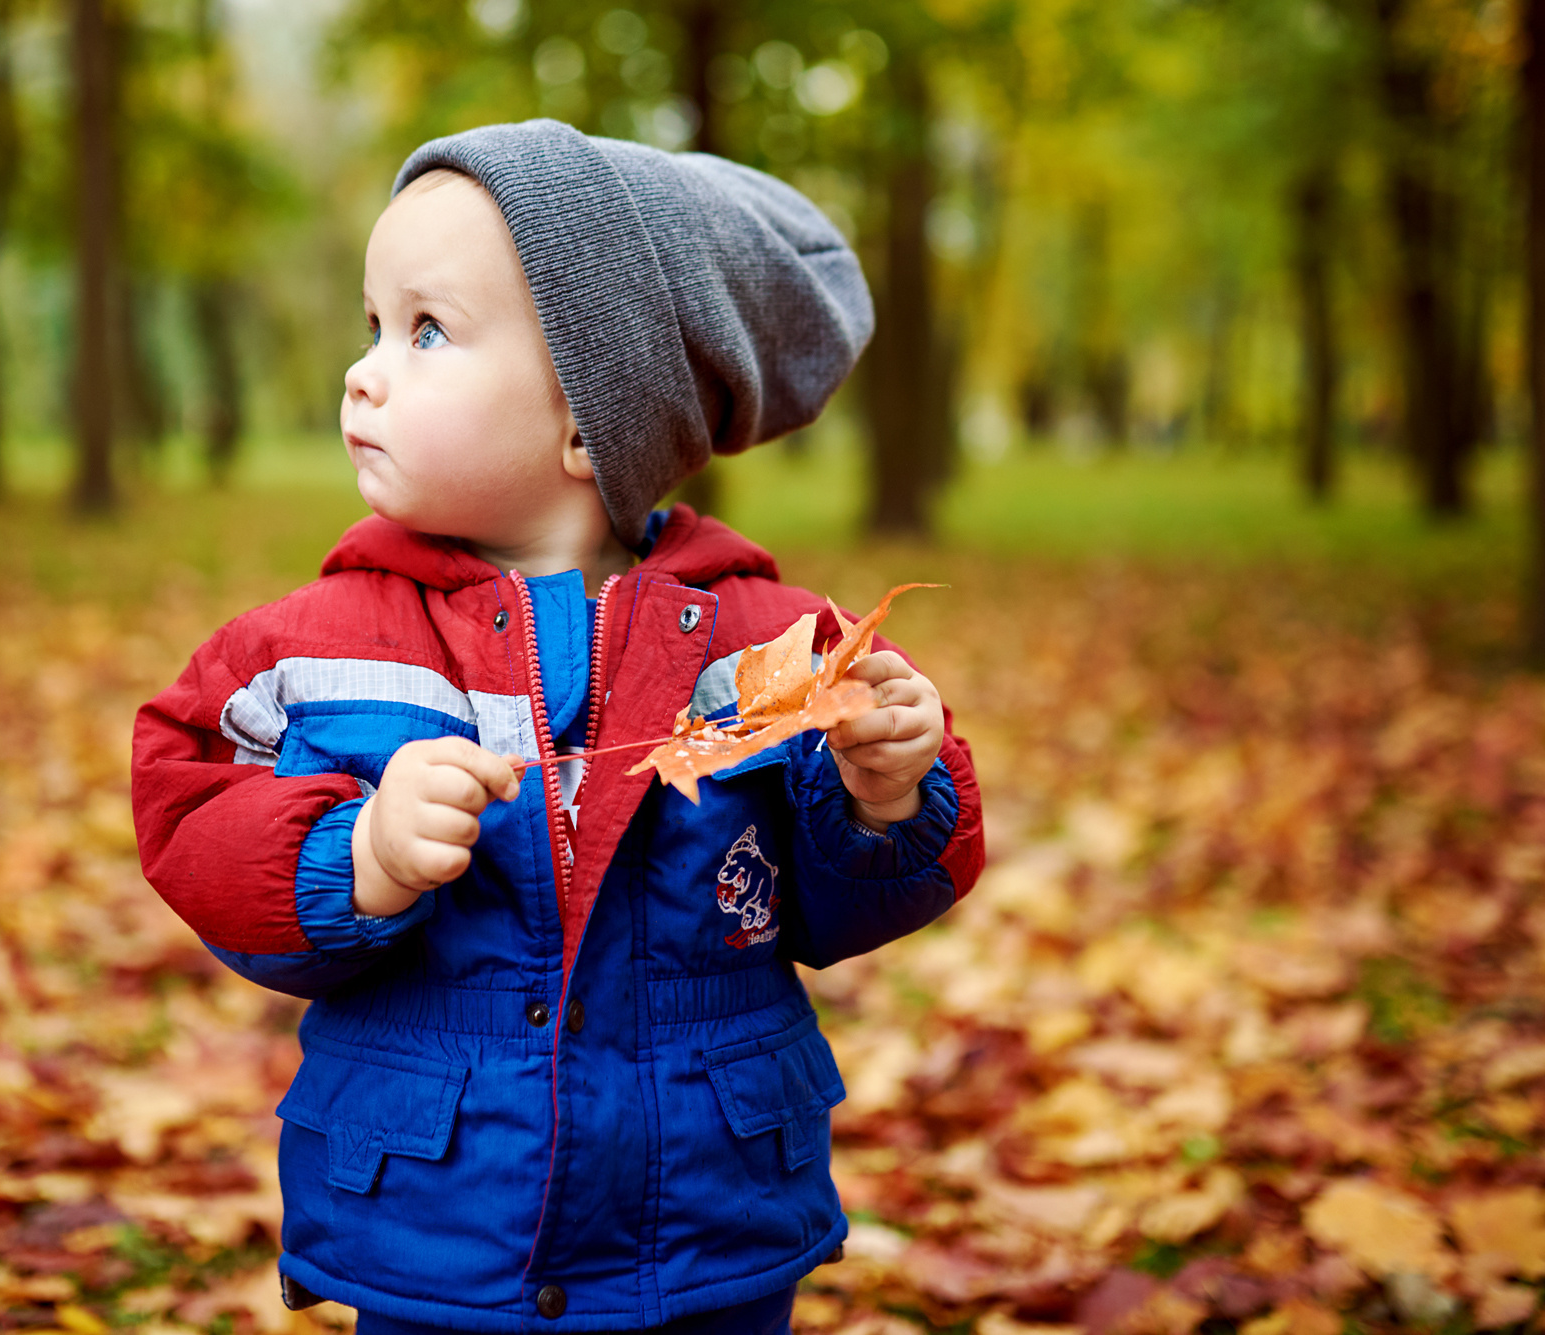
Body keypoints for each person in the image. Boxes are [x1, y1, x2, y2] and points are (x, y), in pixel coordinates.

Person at [131, 120, 984, 1335]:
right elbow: (187, 805)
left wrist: (886, 797)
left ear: (594, 424)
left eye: (425, 333)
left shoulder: (769, 650)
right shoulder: (312, 650)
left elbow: (842, 908)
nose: (362, 373)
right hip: (438, 1219)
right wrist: (355, 860)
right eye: (371, 329)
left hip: (705, 1229)